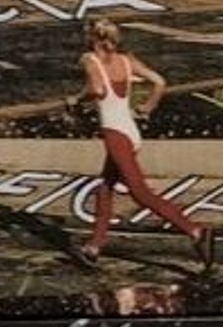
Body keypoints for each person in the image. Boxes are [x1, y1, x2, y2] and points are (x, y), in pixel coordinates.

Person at [78, 21, 214, 270]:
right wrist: (149, 106)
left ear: (91, 39)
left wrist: (75, 98)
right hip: (130, 131)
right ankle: (94, 245)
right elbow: (160, 82)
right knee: (105, 188)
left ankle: (195, 231)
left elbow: (96, 89)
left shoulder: (89, 60)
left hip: (115, 134)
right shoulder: (127, 60)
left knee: (140, 193)